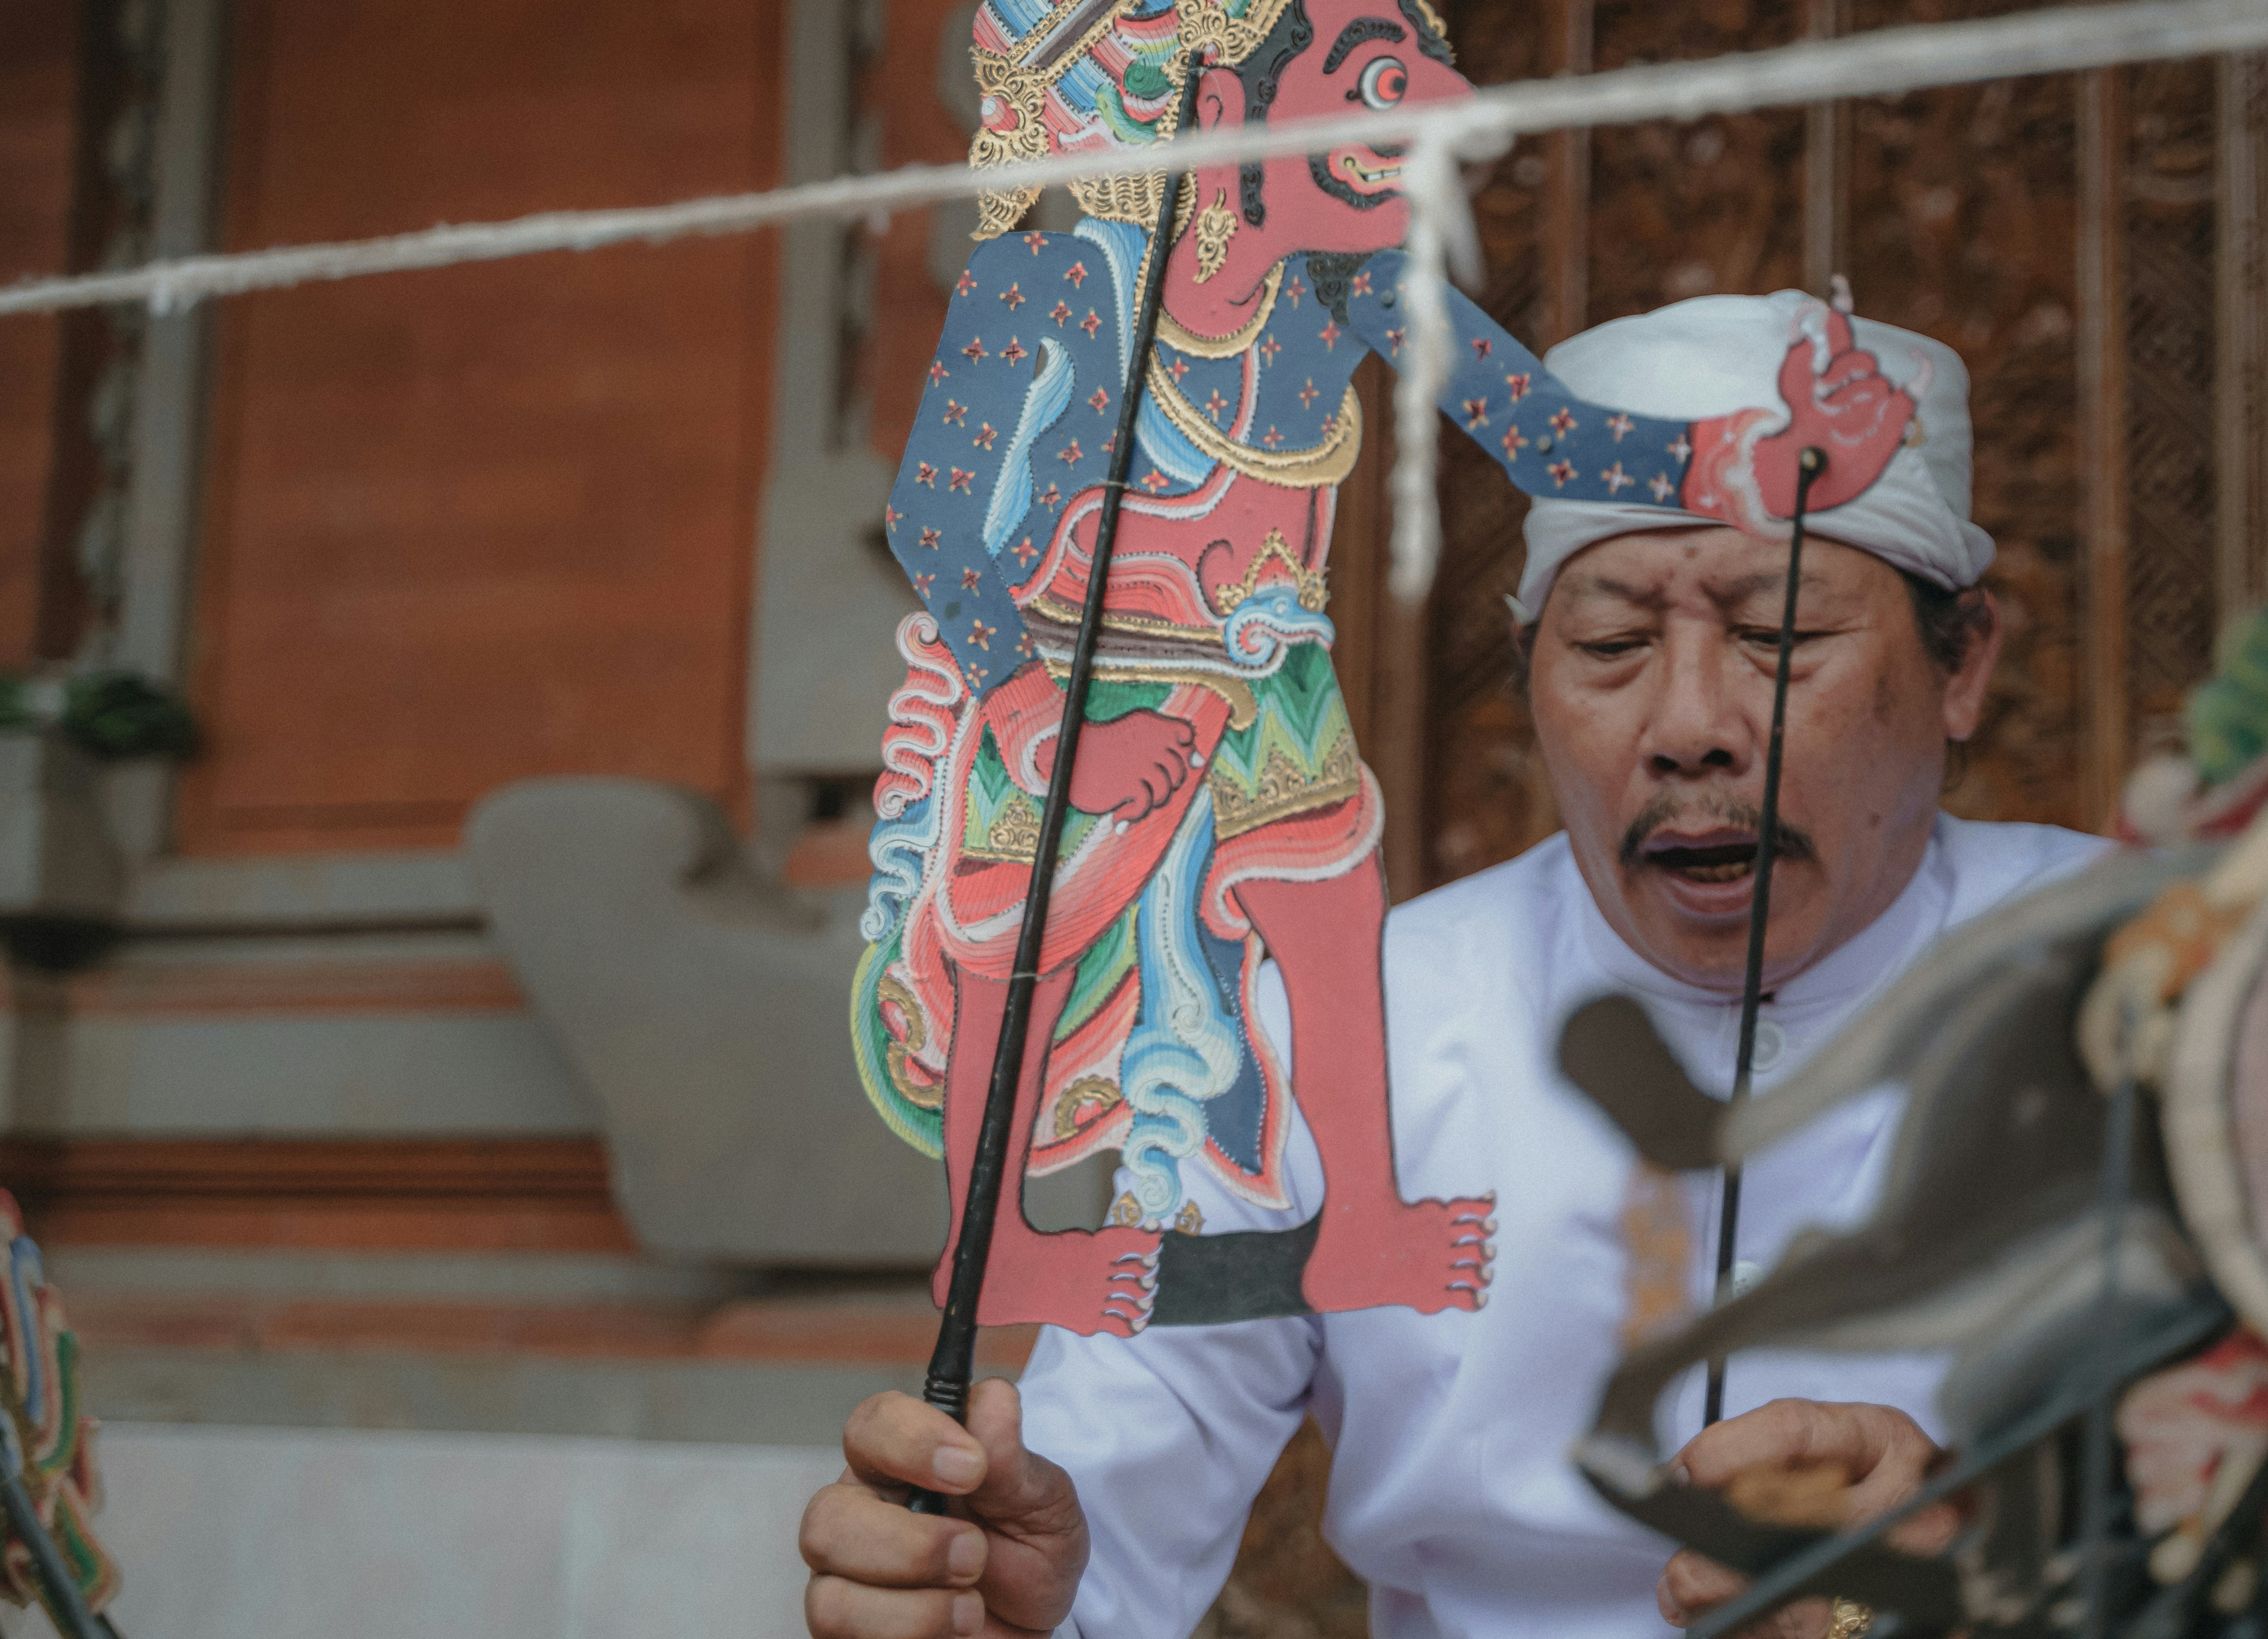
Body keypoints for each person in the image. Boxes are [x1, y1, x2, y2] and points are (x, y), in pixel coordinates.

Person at [802, 285, 2110, 1639]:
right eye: (1611, 646)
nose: (1691, 727)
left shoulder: (2184, 984)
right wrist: (1000, 1608)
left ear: (1964, 665)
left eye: (1782, 638)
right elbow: (1102, 1503)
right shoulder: (1324, 1033)